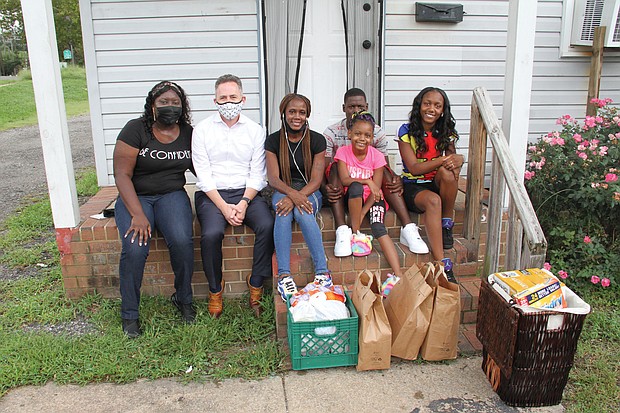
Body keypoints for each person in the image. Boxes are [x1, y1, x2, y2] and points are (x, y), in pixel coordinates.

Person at [113, 81, 195, 338]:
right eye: (163, 103)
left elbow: (203, 170)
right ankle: (129, 315)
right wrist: (137, 214)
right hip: (137, 196)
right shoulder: (135, 130)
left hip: (171, 195)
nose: (169, 107)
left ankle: (183, 299)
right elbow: (121, 175)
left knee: (182, 241)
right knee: (135, 249)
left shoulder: (188, 133)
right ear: (152, 106)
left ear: (182, 107)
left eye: (175, 103)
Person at [192, 74, 274, 318]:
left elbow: (258, 173)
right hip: (211, 194)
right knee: (210, 234)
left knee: (267, 224)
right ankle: (215, 290)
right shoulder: (202, 130)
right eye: (223, 98)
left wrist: (243, 203)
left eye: (233, 97)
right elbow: (203, 174)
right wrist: (224, 208)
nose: (228, 102)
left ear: (243, 99)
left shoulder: (255, 131)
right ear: (215, 100)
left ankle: (256, 283)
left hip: (245, 192)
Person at [324, 88, 428, 257]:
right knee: (336, 166)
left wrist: (395, 178)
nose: (356, 111)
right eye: (351, 107)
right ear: (344, 108)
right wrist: (324, 187)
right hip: (341, 183)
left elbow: (383, 164)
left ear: (366, 106)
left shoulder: (376, 131)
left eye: (360, 106)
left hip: (367, 184)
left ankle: (407, 227)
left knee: (388, 175)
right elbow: (326, 167)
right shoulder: (331, 132)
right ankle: (343, 229)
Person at [265, 93, 331, 302]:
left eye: (302, 112)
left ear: (307, 115)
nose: (297, 116)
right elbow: (273, 178)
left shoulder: (317, 140)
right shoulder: (273, 140)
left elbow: (316, 180)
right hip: (282, 190)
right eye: (292, 111)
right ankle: (284, 276)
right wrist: (292, 195)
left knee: (303, 212)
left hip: (310, 191)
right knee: (283, 213)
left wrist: (297, 197)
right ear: (283, 113)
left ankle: (323, 273)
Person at [397, 87, 463, 282]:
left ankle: (446, 223)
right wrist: (445, 160)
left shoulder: (446, 132)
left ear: (443, 110)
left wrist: (458, 161)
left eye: (437, 105)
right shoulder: (406, 130)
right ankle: (441, 261)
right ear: (419, 105)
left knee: (449, 174)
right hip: (413, 185)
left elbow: (453, 165)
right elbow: (414, 167)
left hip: (437, 181)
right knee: (434, 200)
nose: (431, 108)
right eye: (427, 103)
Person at [334, 111, 403, 280]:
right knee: (356, 187)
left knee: (379, 227)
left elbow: (376, 190)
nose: (362, 138)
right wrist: (367, 181)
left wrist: (364, 211)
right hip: (353, 195)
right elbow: (344, 180)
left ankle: (398, 274)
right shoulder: (343, 152)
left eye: (367, 135)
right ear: (349, 133)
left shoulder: (377, 156)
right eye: (357, 134)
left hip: (373, 199)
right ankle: (355, 232)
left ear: (372, 138)